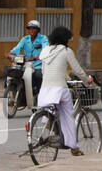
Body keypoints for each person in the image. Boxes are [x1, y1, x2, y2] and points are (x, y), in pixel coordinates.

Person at [37, 26, 93, 156]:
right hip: (59, 90)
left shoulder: (45, 50)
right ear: (65, 39)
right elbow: (78, 70)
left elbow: (46, 71)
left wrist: (65, 77)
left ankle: (52, 126)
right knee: (68, 115)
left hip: (44, 90)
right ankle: (73, 146)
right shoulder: (66, 51)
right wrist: (87, 80)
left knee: (53, 111)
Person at [8, 20, 47, 107]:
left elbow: (46, 48)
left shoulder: (43, 39)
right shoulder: (25, 39)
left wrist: (39, 55)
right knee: (15, 73)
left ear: (38, 30)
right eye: (30, 28)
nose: (31, 30)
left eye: (34, 28)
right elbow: (17, 48)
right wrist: (11, 53)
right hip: (26, 65)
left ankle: (39, 95)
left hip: (38, 65)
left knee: (38, 75)